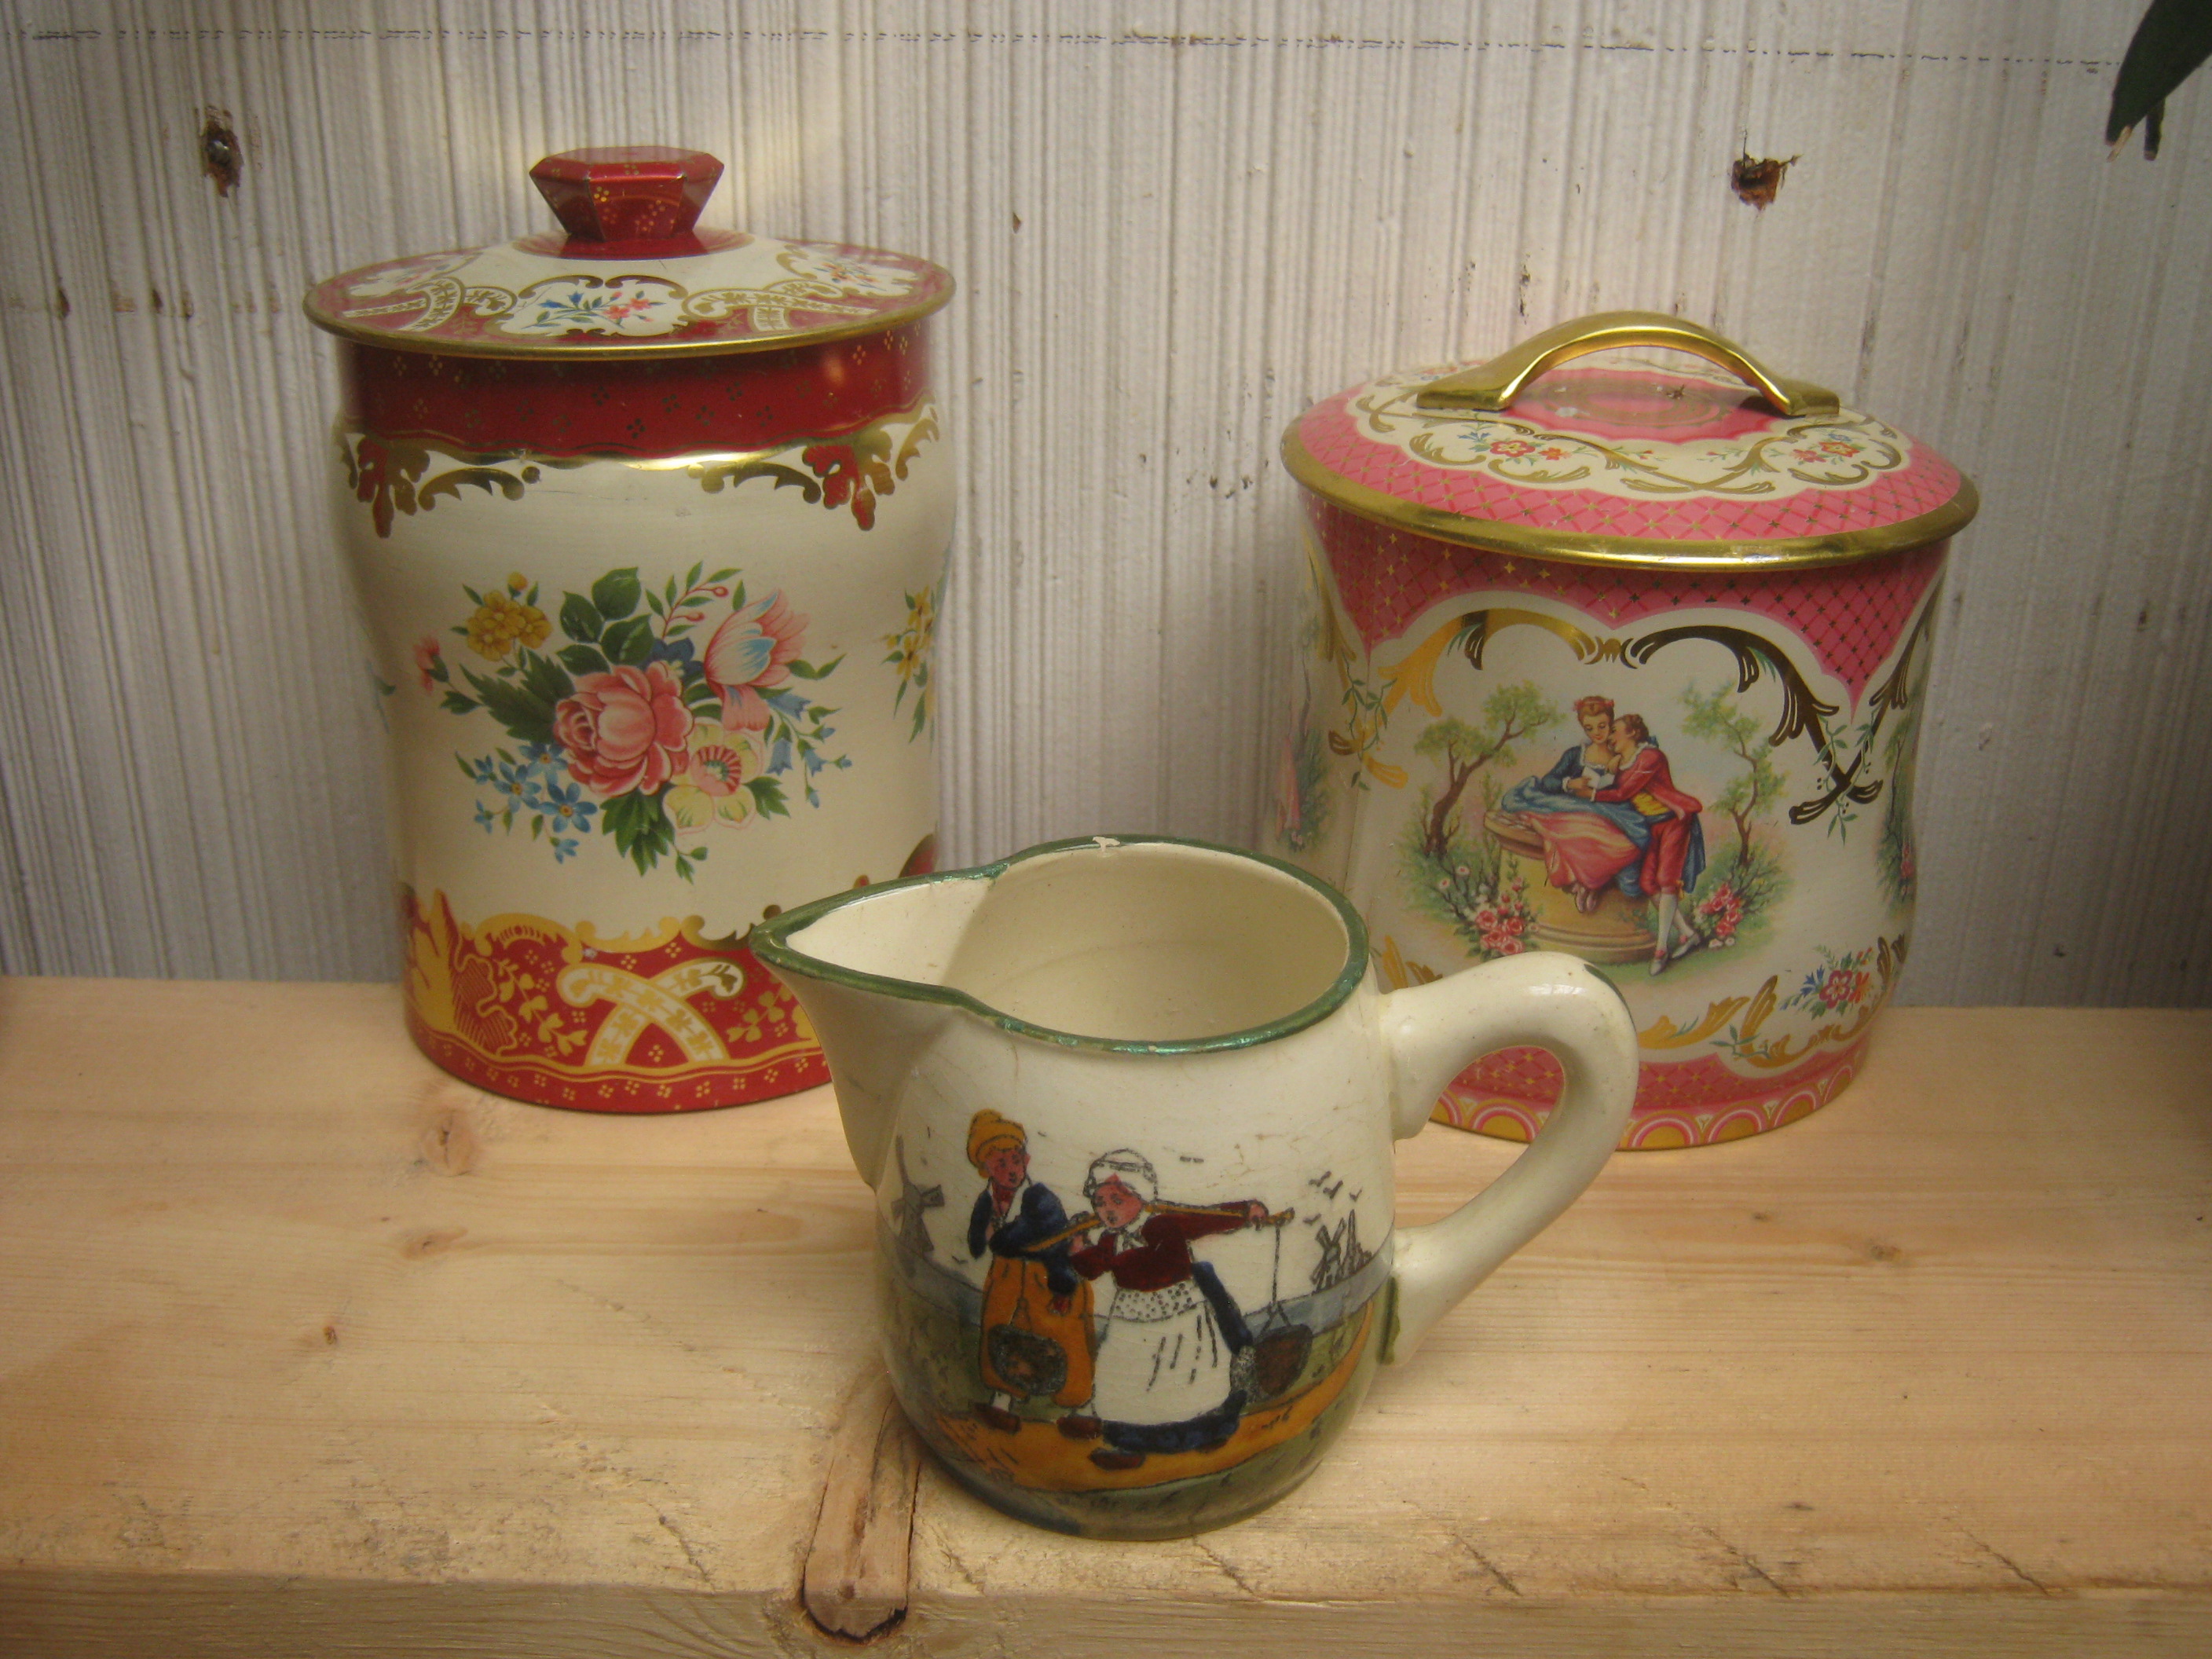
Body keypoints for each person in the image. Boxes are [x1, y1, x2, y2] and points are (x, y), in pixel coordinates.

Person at [1066, 1150, 1274, 1471]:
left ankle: (1206, 1432)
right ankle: (1127, 1443)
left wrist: (1246, 1211)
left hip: (1179, 1315)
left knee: (1187, 1375)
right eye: (1100, 1203)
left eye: (1117, 1201)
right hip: (1132, 1318)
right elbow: (1091, 1267)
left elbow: (1207, 1219)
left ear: (1140, 1197)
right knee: (1124, 1376)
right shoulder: (1111, 1239)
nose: (1108, 1210)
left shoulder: (1163, 1224)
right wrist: (1077, 1248)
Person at [964, 1110, 1097, 1437]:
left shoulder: (1039, 1198)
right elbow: (977, 1238)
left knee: (1065, 1337)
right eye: (1000, 1164)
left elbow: (1023, 1236)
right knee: (1000, 1330)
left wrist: (1063, 1286)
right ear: (985, 1168)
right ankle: (1002, 1403)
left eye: (1015, 1160)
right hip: (1007, 1276)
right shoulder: (987, 1199)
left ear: (1026, 1159)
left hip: (1047, 1277)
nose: (1010, 1170)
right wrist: (982, 1240)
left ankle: (1081, 1411)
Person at [1572, 712, 1708, 973]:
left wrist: (1592, 794)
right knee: (1648, 883)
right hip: (1653, 826)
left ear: (1632, 734)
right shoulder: (1622, 763)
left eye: (1615, 731)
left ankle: (1660, 950)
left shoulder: (1650, 757)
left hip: (1674, 821)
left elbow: (1625, 792)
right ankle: (1689, 934)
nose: (1610, 737)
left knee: (1666, 880)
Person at [1498, 696, 1652, 910]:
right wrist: (1570, 783)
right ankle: (1586, 884)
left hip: (1611, 810)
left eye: (1602, 726)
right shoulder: (1576, 755)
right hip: (1574, 808)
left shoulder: (1622, 754)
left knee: (1621, 843)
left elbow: (1637, 774)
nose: (1596, 733)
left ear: (1611, 724)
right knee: (1578, 829)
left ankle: (1593, 884)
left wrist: (1618, 766)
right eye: (1589, 728)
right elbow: (1549, 782)